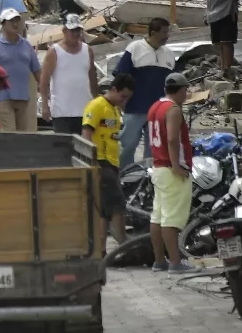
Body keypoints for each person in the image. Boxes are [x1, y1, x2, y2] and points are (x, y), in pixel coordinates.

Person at [147, 73, 194, 273]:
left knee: (157, 217)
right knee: (171, 219)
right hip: (170, 168)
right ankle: (175, 262)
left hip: (158, 166)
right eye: (186, 90)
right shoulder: (173, 110)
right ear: (181, 89)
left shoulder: (155, 107)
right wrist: (176, 165)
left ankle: (159, 261)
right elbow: (173, 139)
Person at [114, 17, 176, 169]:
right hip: (135, 108)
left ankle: (147, 178)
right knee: (127, 145)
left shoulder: (168, 54)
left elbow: (172, 82)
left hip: (158, 112)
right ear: (153, 32)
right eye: (164, 32)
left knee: (153, 148)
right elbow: (120, 76)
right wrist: (120, 101)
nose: (167, 36)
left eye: (168, 32)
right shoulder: (135, 48)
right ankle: (123, 176)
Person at [82, 74, 135, 249]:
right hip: (99, 162)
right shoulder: (97, 106)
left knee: (104, 210)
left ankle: (101, 249)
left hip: (112, 163)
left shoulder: (114, 109)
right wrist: (92, 162)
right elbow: (86, 134)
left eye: (128, 98)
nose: (124, 101)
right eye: (123, 96)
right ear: (113, 89)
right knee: (118, 203)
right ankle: (123, 242)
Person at [0, 8, 41, 132]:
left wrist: (45, 89)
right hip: (3, 96)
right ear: (3, 24)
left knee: (21, 134)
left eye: (16, 21)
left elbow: (36, 70)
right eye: (11, 21)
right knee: (10, 132)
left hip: (23, 96)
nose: (15, 24)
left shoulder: (26, 46)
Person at [38, 13, 98, 135]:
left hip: (84, 110)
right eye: (73, 30)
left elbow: (92, 78)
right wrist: (45, 106)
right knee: (63, 147)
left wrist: (97, 101)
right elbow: (44, 82)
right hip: (62, 111)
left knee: (83, 148)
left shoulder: (88, 50)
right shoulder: (54, 52)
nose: (76, 34)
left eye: (78, 30)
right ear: (64, 30)